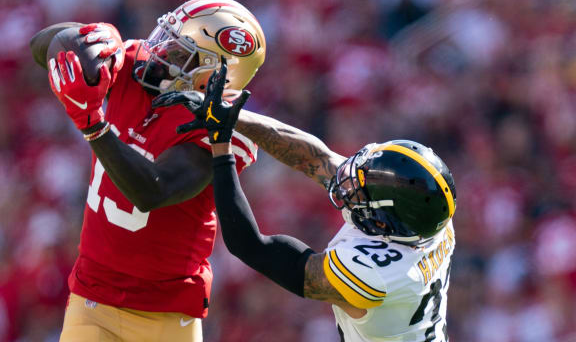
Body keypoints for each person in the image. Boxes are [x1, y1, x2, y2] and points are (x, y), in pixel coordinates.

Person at [153, 58, 457, 341]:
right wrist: (231, 117)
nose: (352, 182)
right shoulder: (427, 220)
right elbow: (315, 157)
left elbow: (251, 246)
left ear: (385, 219)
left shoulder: (373, 274)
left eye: (365, 189)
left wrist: (221, 148)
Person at [29, 0, 266, 341]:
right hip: (92, 295)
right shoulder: (137, 66)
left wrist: (93, 126)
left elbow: (153, 190)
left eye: (180, 51)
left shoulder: (222, 128)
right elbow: (39, 46)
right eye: (166, 38)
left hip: (166, 315)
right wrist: (87, 37)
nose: (161, 51)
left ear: (217, 74)